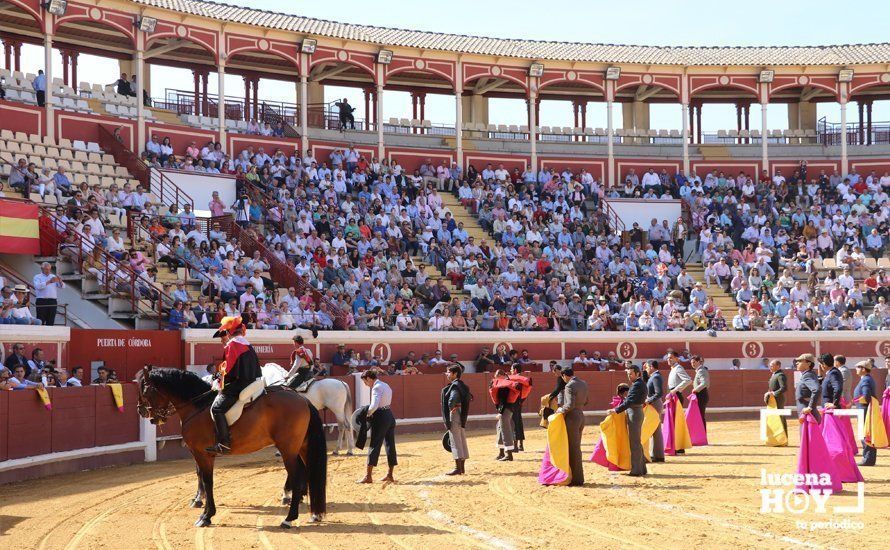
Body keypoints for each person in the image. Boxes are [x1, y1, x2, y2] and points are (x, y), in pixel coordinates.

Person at [206, 316, 262, 455]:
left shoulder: (232, 344)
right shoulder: (246, 343)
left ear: (228, 332)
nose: (221, 340)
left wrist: (218, 381)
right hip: (251, 381)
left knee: (217, 409)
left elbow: (229, 370)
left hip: (240, 383)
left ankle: (224, 443)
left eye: (222, 336)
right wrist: (218, 375)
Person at [358, 369, 397, 483]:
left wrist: (367, 414)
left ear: (369, 378)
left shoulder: (376, 387)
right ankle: (390, 475)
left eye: (365, 382)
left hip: (380, 417)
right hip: (389, 415)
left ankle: (368, 476)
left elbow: (374, 405)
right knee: (390, 444)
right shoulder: (385, 385)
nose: (366, 384)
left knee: (374, 444)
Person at [609, 364, 648, 476]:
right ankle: (641, 468)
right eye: (628, 374)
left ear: (637, 373)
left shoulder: (637, 385)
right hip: (636, 412)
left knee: (634, 442)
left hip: (634, 414)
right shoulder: (639, 384)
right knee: (636, 441)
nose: (629, 376)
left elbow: (630, 401)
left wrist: (616, 410)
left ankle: (636, 470)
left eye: (630, 374)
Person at [556, 367, 588, 486]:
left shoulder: (569, 385)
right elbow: (586, 401)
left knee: (572, 448)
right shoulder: (583, 383)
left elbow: (569, 405)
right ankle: (578, 477)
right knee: (576, 447)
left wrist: (560, 410)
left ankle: (576, 479)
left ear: (564, 375)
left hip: (572, 418)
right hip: (581, 416)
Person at [441, 364, 471, 475]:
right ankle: (462, 468)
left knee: (455, 440)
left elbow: (452, 400)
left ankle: (458, 468)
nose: (447, 374)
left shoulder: (454, 386)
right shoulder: (463, 385)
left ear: (455, 374)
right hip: (461, 413)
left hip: (455, 414)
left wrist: (451, 408)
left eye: (448, 372)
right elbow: (470, 397)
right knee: (461, 439)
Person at [852, 360, 877, 466]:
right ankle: (869, 458)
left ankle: (867, 459)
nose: (856, 369)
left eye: (858, 367)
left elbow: (866, 397)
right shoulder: (867, 379)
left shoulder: (865, 380)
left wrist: (856, 401)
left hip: (864, 410)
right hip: (865, 410)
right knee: (867, 435)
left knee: (864, 435)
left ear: (863, 369)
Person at [490, 370, 516, 461]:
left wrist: (500, 412)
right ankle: (501, 453)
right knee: (500, 428)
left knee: (505, 430)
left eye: (497, 376)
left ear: (501, 375)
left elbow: (503, 400)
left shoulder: (504, 385)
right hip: (508, 408)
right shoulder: (507, 383)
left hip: (505, 409)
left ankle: (509, 454)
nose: (495, 378)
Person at [644, 360, 665, 462]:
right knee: (655, 429)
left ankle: (658, 455)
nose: (646, 369)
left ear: (651, 366)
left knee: (653, 428)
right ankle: (657, 455)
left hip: (654, 404)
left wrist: (649, 400)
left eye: (647, 367)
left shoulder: (655, 377)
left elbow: (659, 393)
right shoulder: (654, 376)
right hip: (654, 404)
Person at [32, 262, 64, 326]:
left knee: (51, 320)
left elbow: (62, 287)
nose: (48, 271)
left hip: (52, 301)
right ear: (42, 269)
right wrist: (49, 281)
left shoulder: (53, 276)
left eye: (49, 269)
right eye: (46, 269)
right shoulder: (37, 277)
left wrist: (60, 281)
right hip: (41, 300)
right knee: (41, 320)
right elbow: (38, 286)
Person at [508, 363, 530, 452]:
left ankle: (515, 446)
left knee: (514, 422)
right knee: (519, 422)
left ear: (515, 370)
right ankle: (521, 445)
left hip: (513, 402)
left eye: (511, 369)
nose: (510, 371)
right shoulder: (522, 379)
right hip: (519, 402)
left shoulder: (515, 379)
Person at [794, 353, 822, 424]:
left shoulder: (807, 375)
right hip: (807, 413)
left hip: (808, 414)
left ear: (808, 364)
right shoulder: (808, 374)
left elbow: (816, 389)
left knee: (808, 434)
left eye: (800, 361)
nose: (797, 363)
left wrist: (810, 407)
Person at [765, 359, 787, 438]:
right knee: (774, 418)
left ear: (778, 366)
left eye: (772, 365)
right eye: (770, 365)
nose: (770, 367)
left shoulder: (780, 375)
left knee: (780, 417)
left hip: (778, 399)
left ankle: (783, 438)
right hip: (773, 400)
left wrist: (773, 393)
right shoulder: (774, 375)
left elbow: (784, 388)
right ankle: (776, 438)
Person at [690, 354, 710, 428]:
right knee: (699, 416)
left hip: (701, 395)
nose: (693, 364)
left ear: (699, 362)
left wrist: (695, 389)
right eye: (691, 363)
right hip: (700, 394)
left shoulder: (701, 371)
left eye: (694, 362)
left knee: (700, 416)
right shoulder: (700, 370)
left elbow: (704, 383)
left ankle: (703, 435)